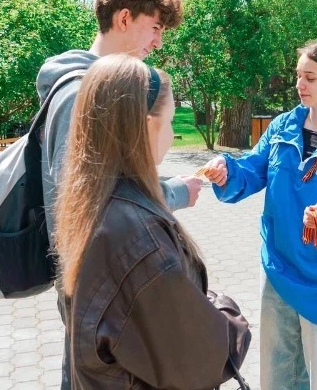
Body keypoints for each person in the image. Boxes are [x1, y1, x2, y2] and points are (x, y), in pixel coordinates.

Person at [35, 0, 202, 389]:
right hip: (94, 284)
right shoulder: (80, 94)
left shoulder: (101, 88)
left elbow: (111, 185)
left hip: (100, 281)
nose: (158, 42)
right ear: (124, 18)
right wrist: (174, 193)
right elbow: (88, 204)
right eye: (155, 27)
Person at [55, 54, 251, 389]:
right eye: (171, 121)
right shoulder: (138, 236)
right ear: (147, 125)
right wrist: (225, 310)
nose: (173, 133)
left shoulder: (91, 203)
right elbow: (204, 358)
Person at [203, 41, 317, 390]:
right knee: (277, 379)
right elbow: (251, 170)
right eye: (298, 76)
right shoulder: (282, 127)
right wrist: (227, 171)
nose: (300, 84)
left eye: (310, 78)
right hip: (278, 271)